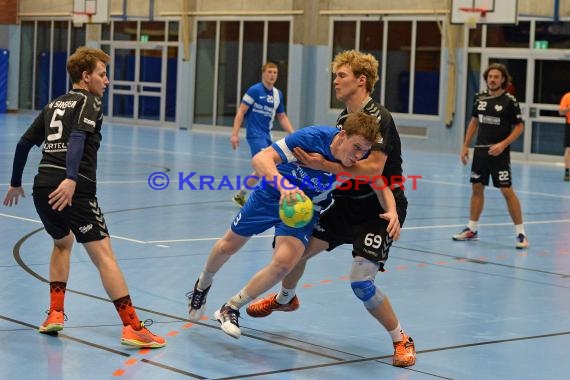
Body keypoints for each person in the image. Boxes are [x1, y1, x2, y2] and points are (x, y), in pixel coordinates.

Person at [246, 50, 416, 368]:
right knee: (294, 251)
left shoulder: (379, 117)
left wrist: (321, 163)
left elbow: (372, 171)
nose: (335, 81)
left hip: (378, 210)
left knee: (361, 282)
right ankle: (285, 299)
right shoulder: (343, 120)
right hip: (345, 205)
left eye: (341, 75)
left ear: (360, 80)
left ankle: (401, 338)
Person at [2, 47, 166, 348]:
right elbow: (78, 137)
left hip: (42, 187)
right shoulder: (89, 101)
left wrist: (15, 183)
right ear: (85, 76)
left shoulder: (53, 104)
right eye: (102, 75)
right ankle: (132, 327)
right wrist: (71, 178)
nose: (107, 81)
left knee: (62, 243)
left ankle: (55, 312)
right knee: (105, 257)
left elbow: (25, 143)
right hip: (73, 189)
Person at [187, 112, 397, 341]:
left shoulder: (356, 161)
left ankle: (230, 308)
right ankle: (202, 284)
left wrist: (393, 211)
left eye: (365, 151)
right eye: (356, 147)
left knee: (284, 264)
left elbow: (379, 183)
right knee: (228, 246)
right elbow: (260, 159)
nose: (359, 156)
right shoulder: (312, 138)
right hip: (271, 195)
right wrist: (283, 186)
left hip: (305, 210)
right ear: (342, 135)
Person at [452, 63, 529, 249]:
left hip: (499, 154)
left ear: (503, 79)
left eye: (496, 77)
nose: (492, 80)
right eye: (490, 77)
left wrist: (503, 145)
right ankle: (472, 229)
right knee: (477, 188)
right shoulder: (479, 98)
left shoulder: (510, 101)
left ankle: (521, 233)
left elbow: (519, 127)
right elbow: (474, 122)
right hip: (480, 152)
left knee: (506, 190)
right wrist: (464, 146)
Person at [231, 62, 295, 206]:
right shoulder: (254, 91)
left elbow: (282, 117)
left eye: (275, 73)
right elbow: (241, 113)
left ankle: (240, 194)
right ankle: (272, 199)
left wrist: (293, 134)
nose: (272, 75)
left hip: (267, 135)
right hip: (254, 135)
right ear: (263, 73)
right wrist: (234, 134)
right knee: (268, 167)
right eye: (270, 72)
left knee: (262, 168)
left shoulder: (278, 94)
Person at [558, 91, 570, 181]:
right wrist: (569, 109)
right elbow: (561, 112)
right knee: (569, 149)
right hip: (569, 124)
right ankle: (567, 172)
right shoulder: (567, 96)